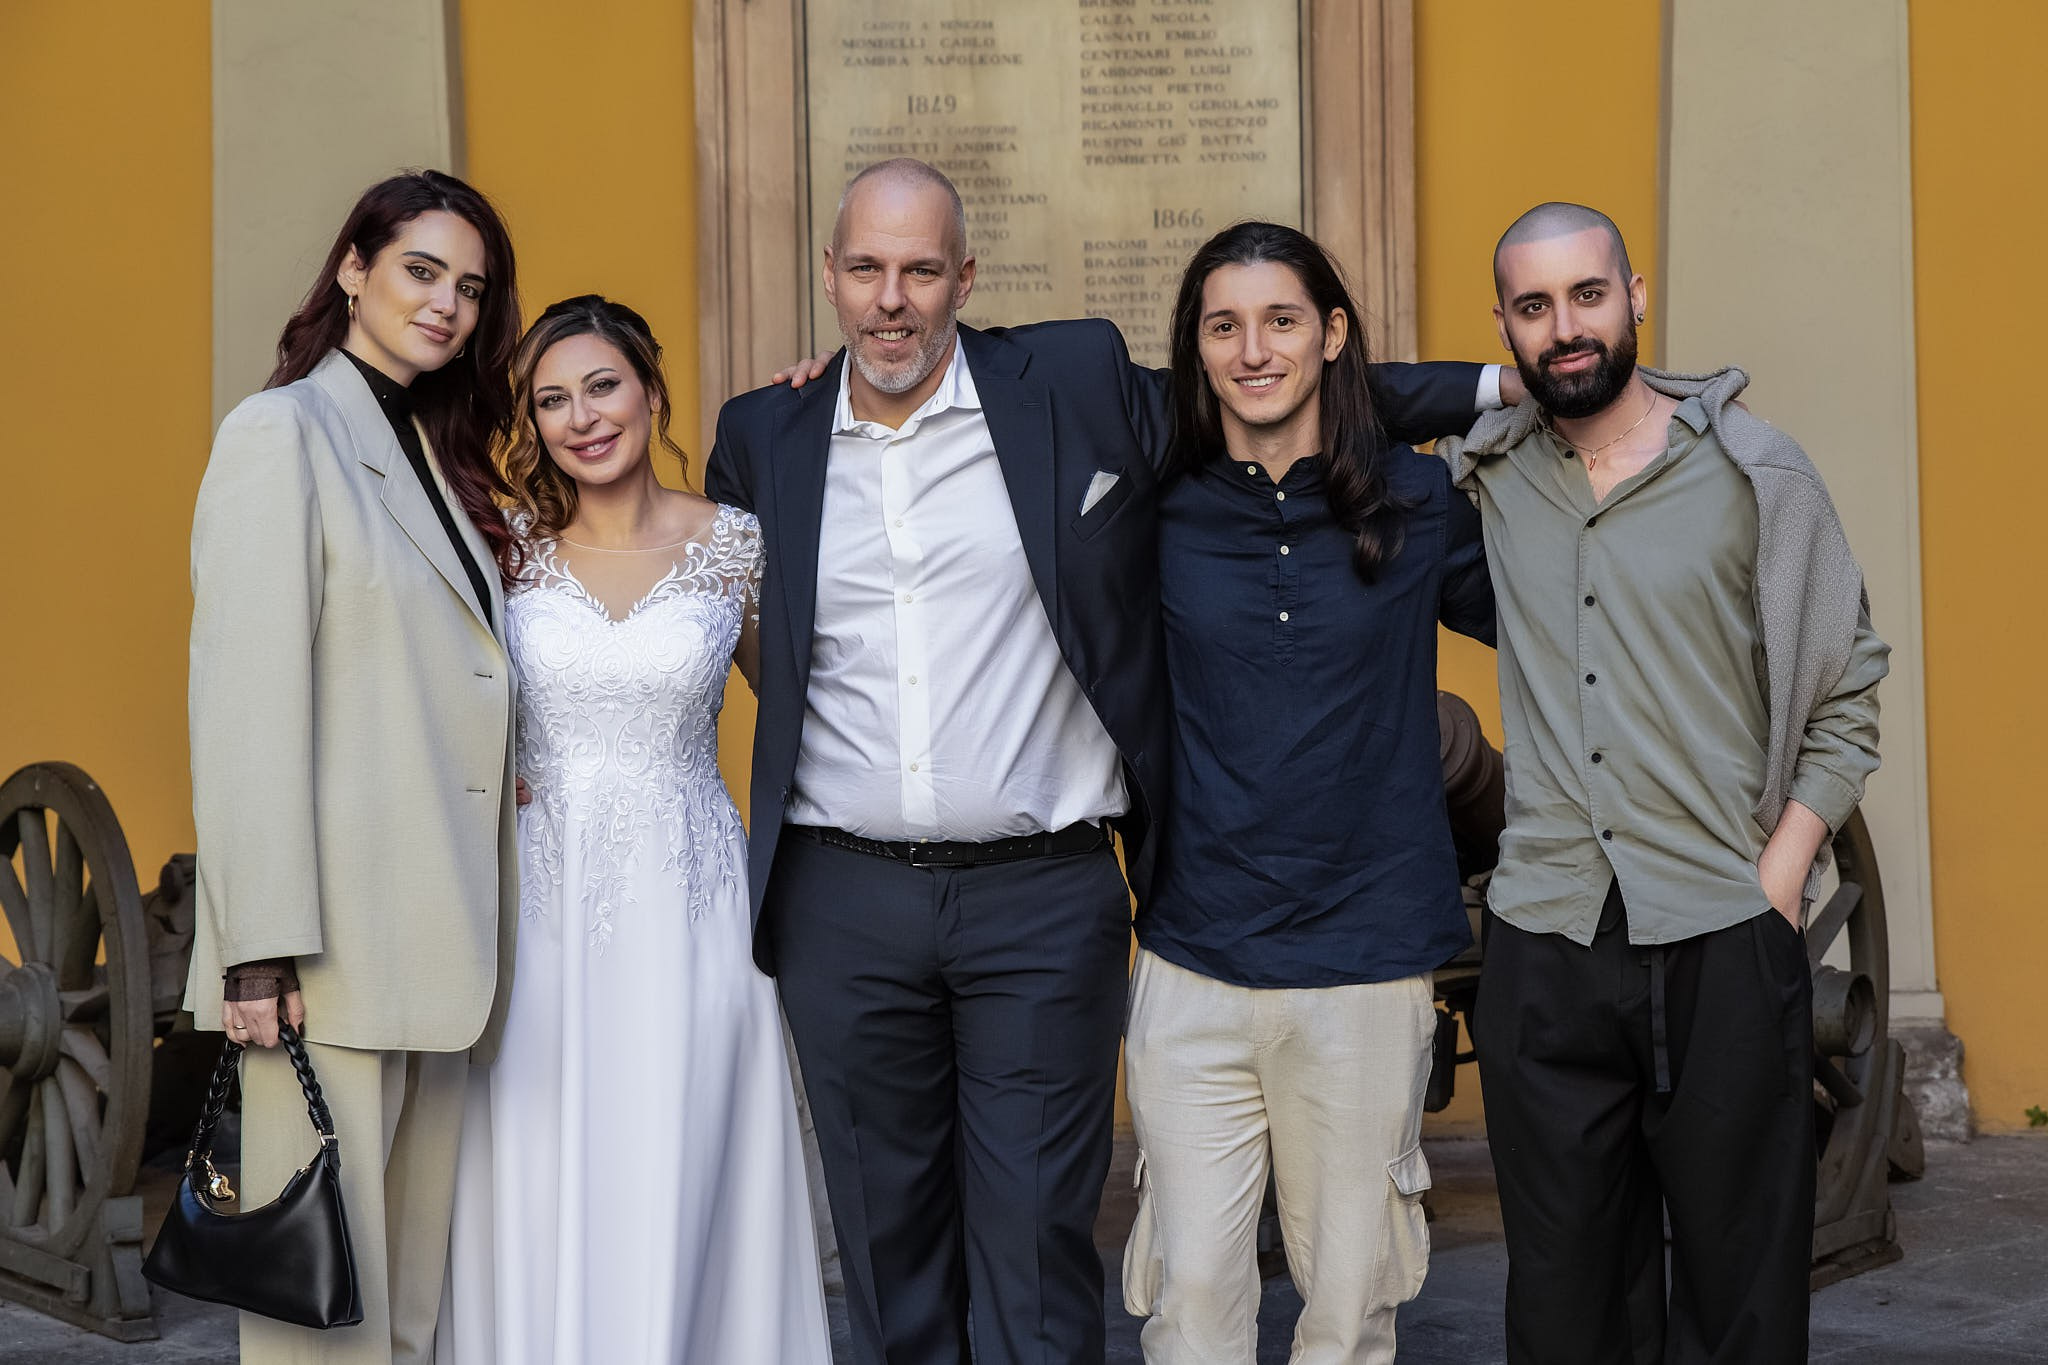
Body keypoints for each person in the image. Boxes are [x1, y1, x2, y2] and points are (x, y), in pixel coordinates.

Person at [712, 157, 1494, 1365]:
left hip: (1041, 892)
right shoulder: (762, 435)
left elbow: (1276, 391)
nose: (890, 299)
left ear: (965, 279)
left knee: (1038, 1258)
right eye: (864, 268)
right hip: (843, 895)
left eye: (921, 269)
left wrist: (1512, 383)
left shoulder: (1066, 385)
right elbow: (736, 621)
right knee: (881, 1254)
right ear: (828, 275)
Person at [1439, 202, 1889, 1365]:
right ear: (1504, 330)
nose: (1564, 328)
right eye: (1532, 308)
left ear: (1634, 297)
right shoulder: (1481, 481)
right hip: (1544, 939)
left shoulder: (1755, 474)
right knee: (1562, 1311)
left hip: (1721, 933)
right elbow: (1341, 418)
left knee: (1740, 1304)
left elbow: (1847, 688)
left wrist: (1781, 871)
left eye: (1586, 295)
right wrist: (1473, 395)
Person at [1120, 221, 1492, 1365]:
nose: (1252, 351)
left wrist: (1502, 392)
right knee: (1186, 1308)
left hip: (1367, 960)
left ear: (1332, 334)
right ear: (1192, 349)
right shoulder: (1150, 501)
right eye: (1221, 327)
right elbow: (996, 384)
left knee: (1347, 1315)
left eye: (1281, 320)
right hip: (1192, 959)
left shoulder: (1417, 502)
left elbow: (1561, 617)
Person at [437, 296, 831, 1364]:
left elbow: (809, 711)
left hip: (690, 913)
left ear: (651, 392)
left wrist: (814, 411)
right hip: (540, 916)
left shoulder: (736, 544)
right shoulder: (500, 552)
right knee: (538, 1164)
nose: (581, 417)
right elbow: (435, 704)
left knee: (682, 1156)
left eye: (601, 386)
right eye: (551, 400)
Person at [187, 169, 522, 1365]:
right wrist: (256, 950)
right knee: (318, 1330)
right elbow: (244, 704)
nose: (447, 305)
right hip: (318, 965)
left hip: (435, 947)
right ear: (354, 269)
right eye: (422, 271)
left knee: (407, 1319)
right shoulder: (282, 433)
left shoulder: (433, 454)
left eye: (470, 289)